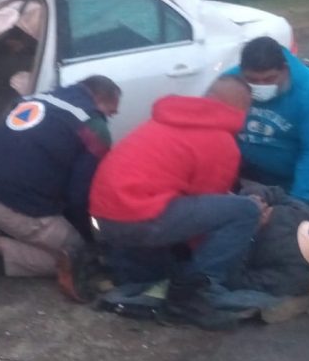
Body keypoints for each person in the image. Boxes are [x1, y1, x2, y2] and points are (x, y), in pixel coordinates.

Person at [89, 76, 259, 330]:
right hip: (139, 216)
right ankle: (189, 298)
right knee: (246, 211)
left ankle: (127, 270)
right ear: (242, 109)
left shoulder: (164, 120)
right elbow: (201, 224)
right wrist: (212, 263)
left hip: (105, 218)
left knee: (155, 273)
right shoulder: (221, 142)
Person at [0, 76, 122, 301]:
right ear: (99, 99)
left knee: (63, 239)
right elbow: (79, 197)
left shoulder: (43, 98)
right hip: (8, 200)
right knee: (80, 254)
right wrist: (89, 236)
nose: (110, 118)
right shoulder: (92, 126)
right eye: (110, 112)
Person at [226, 36, 309, 206]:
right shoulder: (228, 82)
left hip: (287, 181)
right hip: (239, 175)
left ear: (284, 69)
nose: (260, 85)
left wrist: (298, 202)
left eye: (269, 79)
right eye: (252, 80)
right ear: (241, 72)